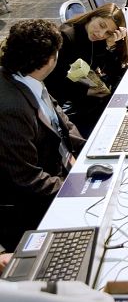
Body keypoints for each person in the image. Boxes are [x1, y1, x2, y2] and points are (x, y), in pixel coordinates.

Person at [0, 19, 85, 251]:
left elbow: (61, 121)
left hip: (61, 171)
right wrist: (75, 187)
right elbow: (26, 179)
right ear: (49, 60)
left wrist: (91, 151)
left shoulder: (26, 78)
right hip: (35, 205)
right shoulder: (12, 108)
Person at [45, 4, 128, 137]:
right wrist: (86, 91)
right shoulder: (66, 37)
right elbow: (54, 83)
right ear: (93, 16)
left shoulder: (97, 38)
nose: (101, 34)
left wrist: (111, 45)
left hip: (81, 96)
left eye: (108, 32)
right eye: (101, 25)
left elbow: (112, 72)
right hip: (64, 105)